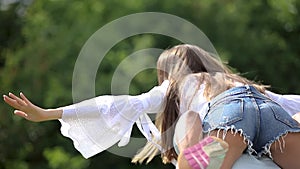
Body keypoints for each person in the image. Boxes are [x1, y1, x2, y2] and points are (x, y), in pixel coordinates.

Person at [3, 44, 300, 169]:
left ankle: (189, 153)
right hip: (270, 112)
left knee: (192, 164)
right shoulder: (230, 78)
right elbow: (291, 102)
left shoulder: (180, 83)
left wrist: (52, 113)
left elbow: (123, 104)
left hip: (229, 114)